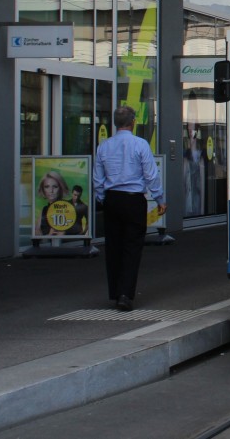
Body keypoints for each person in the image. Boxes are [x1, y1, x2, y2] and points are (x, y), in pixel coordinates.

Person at [93, 106, 165, 312]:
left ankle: (115, 292)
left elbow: (98, 178)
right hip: (134, 200)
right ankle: (125, 294)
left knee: (113, 246)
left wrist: (102, 197)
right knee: (132, 247)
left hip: (112, 199)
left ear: (115, 123)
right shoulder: (140, 145)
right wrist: (160, 198)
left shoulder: (103, 147)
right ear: (132, 122)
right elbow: (151, 175)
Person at [34, 170, 70, 236]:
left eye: (55, 187)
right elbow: (36, 232)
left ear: (61, 188)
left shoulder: (66, 208)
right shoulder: (44, 210)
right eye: (47, 187)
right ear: (43, 189)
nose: (51, 191)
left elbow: (59, 237)